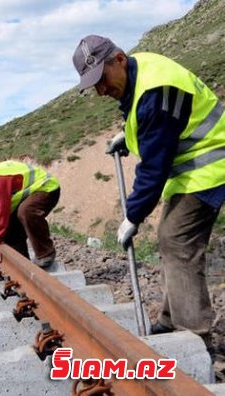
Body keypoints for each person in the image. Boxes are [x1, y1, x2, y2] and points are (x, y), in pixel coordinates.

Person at [73, 35, 225, 338]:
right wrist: (126, 136)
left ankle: (193, 334)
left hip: (211, 165)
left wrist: (132, 215)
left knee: (177, 240)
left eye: (101, 79)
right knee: (171, 238)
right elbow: (150, 121)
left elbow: (154, 168)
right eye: (94, 87)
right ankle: (171, 320)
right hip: (191, 169)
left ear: (118, 59)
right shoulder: (139, 68)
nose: (101, 91)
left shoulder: (157, 90)